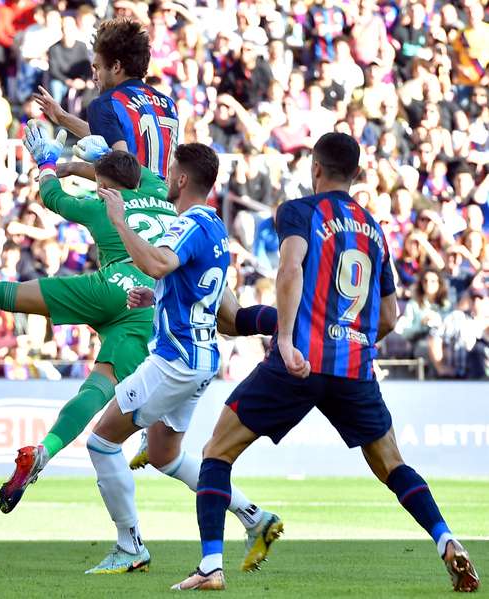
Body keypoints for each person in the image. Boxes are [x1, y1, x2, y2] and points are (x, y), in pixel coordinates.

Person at [0, 125, 277, 514]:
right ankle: (46, 449)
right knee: (100, 387)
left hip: (112, 285)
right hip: (148, 305)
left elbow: (51, 196)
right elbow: (124, 172)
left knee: (6, 294)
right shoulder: (162, 193)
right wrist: (93, 160)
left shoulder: (101, 205)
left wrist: (48, 164)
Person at [176, 133, 480, 592]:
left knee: (217, 452)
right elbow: (391, 315)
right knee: (393, 465)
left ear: (315, 168)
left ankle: (211, 567)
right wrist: (354, 339)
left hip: (297, 362)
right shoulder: (375, 229)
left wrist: (285, 338)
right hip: (354, 370)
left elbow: (291, 267)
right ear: (356, 174)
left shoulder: (299, 211)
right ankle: (446, 539)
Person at [83, 143, 282, 575]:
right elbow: (189, 287)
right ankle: (256, 518)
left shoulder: (189, 223)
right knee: (164, 455)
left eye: (171, 170)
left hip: (173, 361)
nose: (167, 176)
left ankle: (129, 544)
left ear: (182, 179)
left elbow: (159, 262)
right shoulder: (214, 226)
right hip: (200, 357)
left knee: (101, 441)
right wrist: (154, 298)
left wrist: (119, 222)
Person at [33, 17, 179, 178]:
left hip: (132, 200)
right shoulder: (168, 103)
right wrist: (62, 117)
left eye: (98, 67)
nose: (94, 77)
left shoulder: (106, 103)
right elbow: (116, 137)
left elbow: (124, 172)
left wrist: (72, 168)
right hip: (167, 200)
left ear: (116, 67)